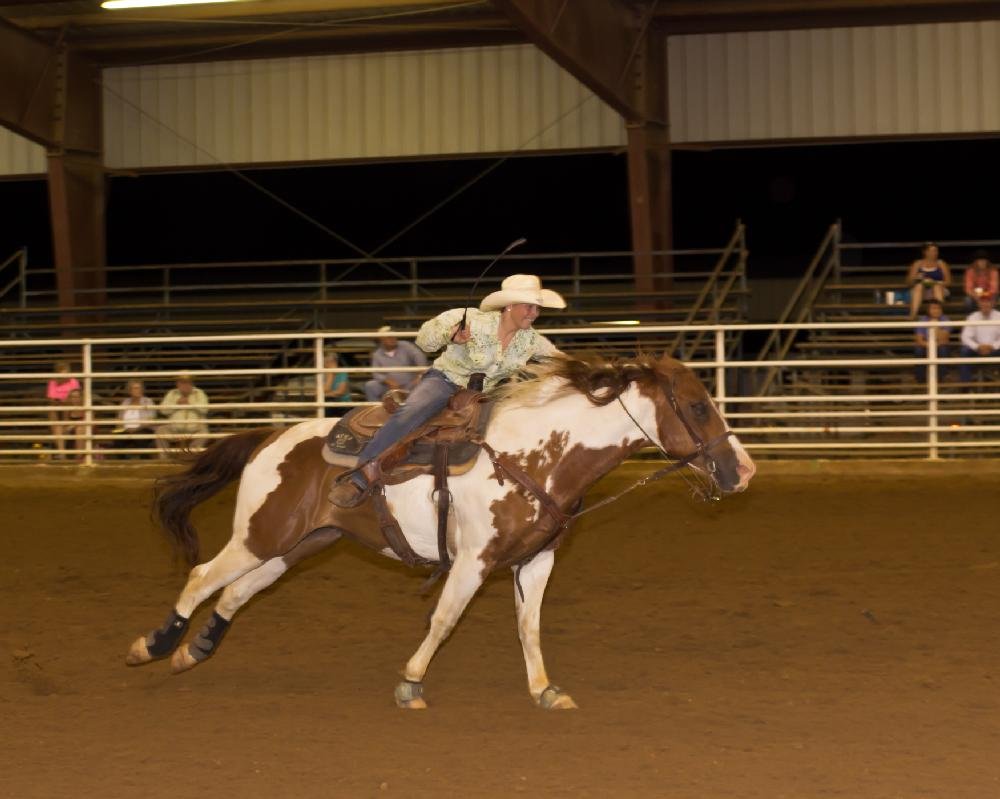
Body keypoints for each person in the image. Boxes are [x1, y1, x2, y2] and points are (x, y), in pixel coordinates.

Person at [329, 273, 565, 508]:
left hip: (486, 394)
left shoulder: (531, 340)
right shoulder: (471, 319)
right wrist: (451, 335)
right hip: (445, 381)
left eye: (537, 308)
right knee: (411, 411)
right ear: (510, 306)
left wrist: (592, 371)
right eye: (529, 307)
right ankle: (359, 477)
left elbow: (558, 358)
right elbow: (424, 340)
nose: (534, 314)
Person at [364, 325, 428, 402]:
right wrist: (388, 381)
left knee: (424, 382)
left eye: (394, 336)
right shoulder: (377, 354)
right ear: (382, 340)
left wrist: (420, 374)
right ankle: (376, 410)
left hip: (410, 384)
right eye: (389, 337)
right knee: (370, 385)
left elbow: (419, 355)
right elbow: (376, 373)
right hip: (389, 386)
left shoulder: (405, 345)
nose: (393, 339)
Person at [156, 373, 209, 458]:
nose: (185, 385)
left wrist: (190, 404)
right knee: (160, 431)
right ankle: (164, 459)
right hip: (174, 429)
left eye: (187, 382)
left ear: (191, 383)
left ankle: (191, 456)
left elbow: (205, 409)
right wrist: (176, 404)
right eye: (182, 383)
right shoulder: (172, 393)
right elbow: (163, 410)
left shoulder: (199, 393)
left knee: (204, 432)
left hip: (194, 429)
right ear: (178, 384)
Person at [959, 294, 1000, 385]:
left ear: (993, 303)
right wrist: (977, 347)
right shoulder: (972, 317)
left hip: (995, 350)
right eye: (983, 302)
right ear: (979, 304)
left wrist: (992, 346)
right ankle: (965, 385)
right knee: (964, 351)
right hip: (976, 350)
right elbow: (965, 337)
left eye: (988, 301)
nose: (985, 304)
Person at [906, 242, 951, 319]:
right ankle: (913, 315)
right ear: (925, 252)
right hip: (921, 291)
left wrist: (935, 282)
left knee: (936, 287)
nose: (934, 253)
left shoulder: (941, 263)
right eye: (932, 251)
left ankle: (940, 316)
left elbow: (948, 282)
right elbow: (909, 282)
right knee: (919, 286)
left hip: (939, 289)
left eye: (936, 251)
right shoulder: (917, 263)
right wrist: (916, 278)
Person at [46, 361, 80, 460]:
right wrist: (61, 401)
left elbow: (77, 396)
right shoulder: (52, 382)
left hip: (72, 408)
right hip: (58, 408)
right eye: (61, 372)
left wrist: (66, 400)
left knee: (66, 405)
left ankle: (65, 425)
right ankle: (62, 453)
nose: (63, 375)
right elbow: (51, 399)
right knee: (52, 410)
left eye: (65, 372)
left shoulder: (73, 381)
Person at [113, 379, 156, 458]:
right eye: (135, 388)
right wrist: (125, 428)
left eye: (139, 388)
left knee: (141, 438)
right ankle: (122, 463)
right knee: (118, 439)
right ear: (130, 391)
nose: (138, 390)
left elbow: (151, 419)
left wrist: (137, 429)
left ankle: (145, 462)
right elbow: (119, 419)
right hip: (126, 430)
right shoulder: (125, 402)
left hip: (143, 429)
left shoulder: (148, 401)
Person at [913, 300, 951, 382]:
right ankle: (920, 379)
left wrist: (936, 326)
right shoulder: (922, 320)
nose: (936, 310)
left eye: (938, 308)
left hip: (940, 344)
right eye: (934, 308)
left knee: (943, 350)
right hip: (926, 344)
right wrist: (929, 345)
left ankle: (942, 377)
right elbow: (919, 340)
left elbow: (944, 338)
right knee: (919, 350)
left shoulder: (945, 319)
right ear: (928, 310)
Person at [323, 350, 353, 416]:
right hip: (329, 403)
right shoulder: (322, 374)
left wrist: (326, 395)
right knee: (327, 405)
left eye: (324, 362)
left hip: (343, 404)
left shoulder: (342, 372)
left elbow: (340, 392)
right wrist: (330, 375)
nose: (323, 365)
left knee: (330, 404)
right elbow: (320, 392)